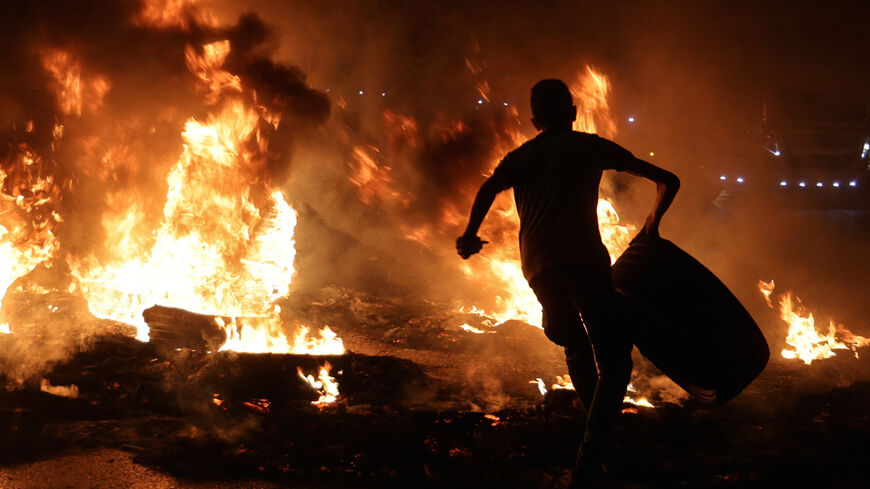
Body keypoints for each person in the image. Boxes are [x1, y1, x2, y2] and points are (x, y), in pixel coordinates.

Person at [456, 79, 679, 487]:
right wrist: (650, 229)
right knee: (616, 361)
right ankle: (591, 458)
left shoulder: (520, 157)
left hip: (539, 269)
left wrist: (470, 235)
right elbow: (669, 180)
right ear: (573, 112)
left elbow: (488, 187)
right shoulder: (591, 147)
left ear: (534, 119)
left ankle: (600, 448)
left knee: (576, 347)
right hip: (585, 264)